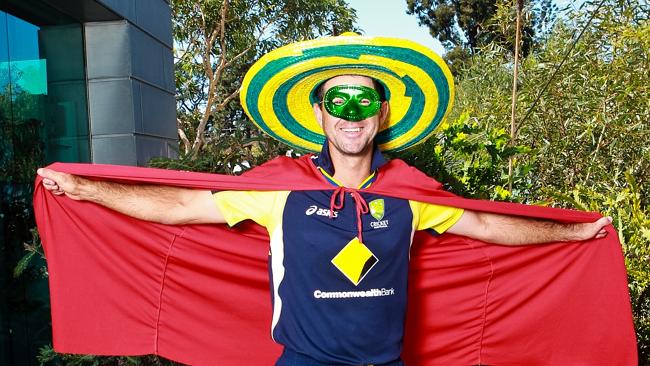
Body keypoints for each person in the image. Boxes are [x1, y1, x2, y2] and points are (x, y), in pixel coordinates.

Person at [37, 34, 612, 366]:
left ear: (382, 115)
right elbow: (180, 207)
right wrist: (86, 189)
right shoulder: (279, 188)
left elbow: (489, 227)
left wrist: (573, 234)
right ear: (319, 114)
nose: (351, 116)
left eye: (365, 103)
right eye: (339, 102)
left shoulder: (410, 193)